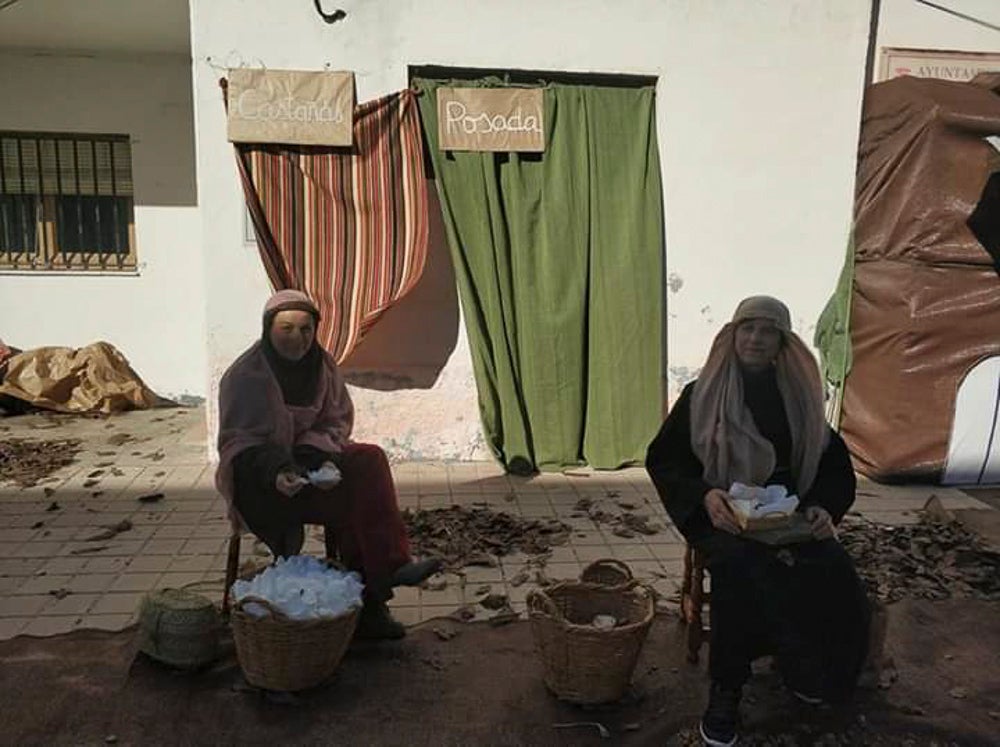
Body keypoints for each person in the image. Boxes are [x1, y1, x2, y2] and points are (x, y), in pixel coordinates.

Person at [645, 296, 870, 747]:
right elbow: (666, 461)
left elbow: (832, 466)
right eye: (748, 329)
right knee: (743, 572)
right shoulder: (702, 393)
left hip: (789, 513)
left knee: (835, 571)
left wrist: (823, 506)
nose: (755, 339)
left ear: (782, 343)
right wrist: (705, 496)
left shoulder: (799, 397)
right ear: (732, 335)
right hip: (724, 515)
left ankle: (809, 669)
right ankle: (726, 689)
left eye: (767, 331)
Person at [216, 290, 439, 640]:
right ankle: (371, 603)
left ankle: (382, 582)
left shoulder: (323, 366)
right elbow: (238, 444)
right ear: (267, 329)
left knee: (367, 463)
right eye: (286, 329)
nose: (297, 339)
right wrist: (278, 470)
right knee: (353, 499)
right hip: (263, 486)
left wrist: (315, 456)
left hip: (309, 474)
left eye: (306, 330)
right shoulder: (245, 376)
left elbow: (336, 422)